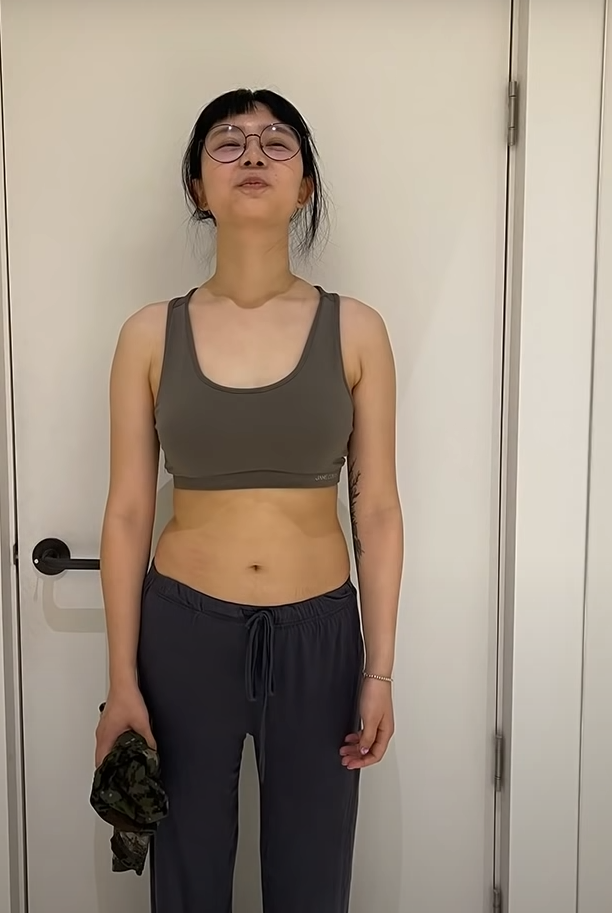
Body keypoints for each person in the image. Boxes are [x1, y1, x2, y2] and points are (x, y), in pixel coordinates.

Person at [92, 88, 402, 911]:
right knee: (187, 873)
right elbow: (127, 512)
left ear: (305, 186)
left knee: (312, 878)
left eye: (277, 141)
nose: (254, 154)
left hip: (319, 635)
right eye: (227, 142)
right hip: (184, 634)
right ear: (198, 186)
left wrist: (378, 670)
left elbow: (376, 507)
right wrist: (122, 679)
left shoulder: (357, 329)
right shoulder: (149, 334)